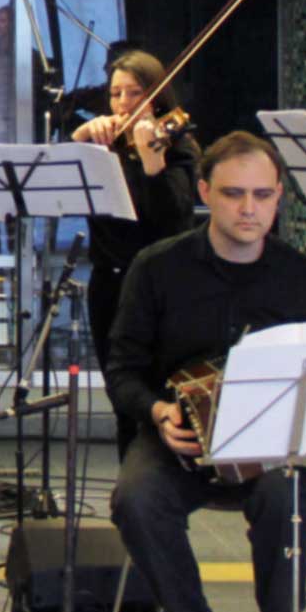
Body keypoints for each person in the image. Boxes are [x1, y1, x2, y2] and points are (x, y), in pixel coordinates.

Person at [105, 131, 306, 612]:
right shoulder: (156, 268)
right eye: (234, 194)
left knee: (285, 500)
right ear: (205, 191)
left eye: (263, 195)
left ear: (280, 195)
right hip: (179, 440)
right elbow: (123, 370)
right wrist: (159, 412)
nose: (249, 209)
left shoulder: (300, 277)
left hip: (270, 444)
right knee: (134, 499)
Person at [70, 49, 201, 460]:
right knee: (120, 394)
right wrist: (78, 142)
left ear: (157, 98)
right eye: (115, 94)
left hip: (159, 289)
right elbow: (64, 185)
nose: (123, 104)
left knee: (153, 392)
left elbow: (173, 220)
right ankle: (133, 484)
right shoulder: (104, 147)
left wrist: (151, 160)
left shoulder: (177, 146)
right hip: (109, 283)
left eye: (134, 93)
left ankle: (155, 486)